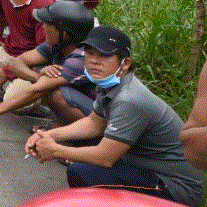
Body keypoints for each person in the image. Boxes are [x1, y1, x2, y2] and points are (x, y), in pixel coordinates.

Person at [27, 26, 203, 206]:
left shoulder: (129, 99)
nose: (94, 61)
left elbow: (105, 158)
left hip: (174, 187)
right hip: (144, 168)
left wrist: (56, 150)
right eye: (90, 53)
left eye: (104, 55)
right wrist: (48, 136)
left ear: (125, 63)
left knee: (82, 173)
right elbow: (94, 123)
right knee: (85, 156)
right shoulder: (110, 85)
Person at [0, 0, 98, 138]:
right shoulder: (58, 44)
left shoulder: (82, 58)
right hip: (86, 104)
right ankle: (63, 127)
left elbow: (38, 89)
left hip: (102, 118)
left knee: (57, 93)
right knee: (48, 81)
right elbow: (16, 63)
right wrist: (38, 76)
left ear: (64, 33)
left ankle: (81, 138)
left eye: (48, 24)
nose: (43, 27)